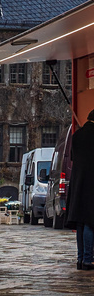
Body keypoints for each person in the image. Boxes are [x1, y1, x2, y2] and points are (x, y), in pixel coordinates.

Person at [66, 109, 94, 270]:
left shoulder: (77, 136)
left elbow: (73, 158)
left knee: (81, 223)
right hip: (91, 183)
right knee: (90, 222)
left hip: (78, 183)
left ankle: (80, 258)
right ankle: (88, 260)